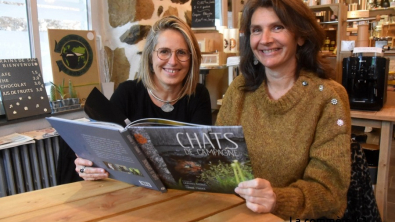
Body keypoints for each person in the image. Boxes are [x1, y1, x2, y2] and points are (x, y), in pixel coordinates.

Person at [216, 0, 351, 220]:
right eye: (256, 30)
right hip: (234, 214)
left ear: (300, 36)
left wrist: (277, 200)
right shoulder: (239, 90)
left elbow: (330, 194)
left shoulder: (329, 98)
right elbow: (219, 163)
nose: (265, 39)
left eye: (278, 27)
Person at [68, 15, 212, 182]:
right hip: (131, 190)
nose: (173, 61)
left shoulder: (198, 95)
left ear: (192, 59)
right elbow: (103, 150)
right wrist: (88, 165)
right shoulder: (127, 93)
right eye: (164, 51)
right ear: (150, 57)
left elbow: (201, 157)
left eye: (181, 52)